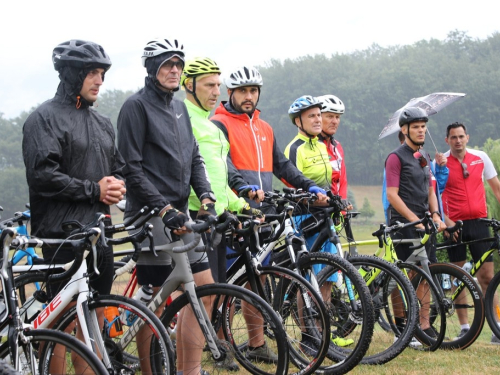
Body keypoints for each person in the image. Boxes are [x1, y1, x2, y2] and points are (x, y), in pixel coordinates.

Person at [22, 39, 126, 372]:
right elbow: (43, 176)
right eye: (92, 73)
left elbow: (118, 168)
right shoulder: (43, 119)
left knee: (90, 320)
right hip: (59, 237)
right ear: (71, 75)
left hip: (99, 236)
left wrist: (116, 184)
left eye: (101, 73)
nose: (99, 80)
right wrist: (94, 190)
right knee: (60, 325)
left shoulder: (103, 123)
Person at [211, 66, 327, 364]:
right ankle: (220, 346)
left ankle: (256, 344)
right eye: (243, 91)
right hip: (233, 213)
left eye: (253, 91)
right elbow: (223, 167)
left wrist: (309, 185)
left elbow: (283, 166)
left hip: (263, 216)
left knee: (256, 281)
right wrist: (243, 189)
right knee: (227, 284)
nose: (249, 97)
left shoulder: (265, 128)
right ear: (230, 93)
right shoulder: (219, 124)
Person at [117, 38, 216, 375]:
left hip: (179, 214)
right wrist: (162, 209)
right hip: (149, 215)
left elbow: (193, 156)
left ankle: (189, 370)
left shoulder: (179, 108)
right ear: (152, 69)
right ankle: (150, 371)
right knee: (157, 301)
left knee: (204, 290)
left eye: (178, 64)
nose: (174, 69)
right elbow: (130, 166)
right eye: (166, 64)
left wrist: (205, 196)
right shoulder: (136, 107)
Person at [284, 95, 354, 351]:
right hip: (306, 218)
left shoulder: (321, 147)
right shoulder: (296, 148)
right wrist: (319, 202)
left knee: (327, 277)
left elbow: (329, 184)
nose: (317, 120)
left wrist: (337, 202)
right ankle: (309, 337)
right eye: (312, 116)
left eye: (318, 115)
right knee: (310, 279)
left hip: (325, 217)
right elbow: (292, 187)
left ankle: (322, 334)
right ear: (299, 121)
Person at [385, 107, 447, 345]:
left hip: (425, 223)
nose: (421, 130)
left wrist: (436, 214)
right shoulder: (395, 157)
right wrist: (413, 219)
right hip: (404, 224)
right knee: (404, 276)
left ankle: (424, 326)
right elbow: (392, 195)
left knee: (425, 273)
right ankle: (402, 327)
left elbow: (431, 189)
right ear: (405, 130)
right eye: (416, 127)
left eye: (424, 126)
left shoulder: (424, 157)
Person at [441, 122, 500, 343]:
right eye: (453, 137)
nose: (458, 141)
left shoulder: (481, 157)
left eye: (461, 136)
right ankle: (465, 327)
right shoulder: (442, 162)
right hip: (454, 226)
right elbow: (435, 195)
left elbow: (496, 188)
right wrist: (445, 223)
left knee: (487, 277)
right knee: (459, 277)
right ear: (447, 140)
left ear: (467, 137)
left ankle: (497, 326)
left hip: (479, 223)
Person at [382, 131, 449, 222]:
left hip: (429, 219)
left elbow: (436, 189)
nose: (419, 147)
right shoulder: (395, 160)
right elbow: (389, 197)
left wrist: (441, 169)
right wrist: (390, 219)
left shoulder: (424, 159)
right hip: (406, 221)